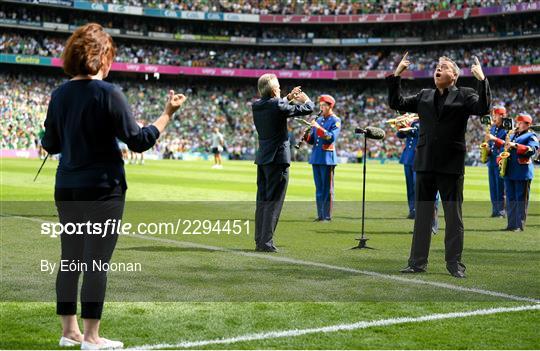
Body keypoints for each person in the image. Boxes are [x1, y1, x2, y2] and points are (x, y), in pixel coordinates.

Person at [41, 23, 186, 349]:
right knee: (95, 262)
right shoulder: (109, 93)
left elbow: (49, 143)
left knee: (70, 259)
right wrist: (167, 115)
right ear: (101, 57)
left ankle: (69, 331)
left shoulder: (58, 94)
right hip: (102, 189)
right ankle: (91, 337)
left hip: (66, 187)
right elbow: (138, 141)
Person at [387, 53, 491, 278]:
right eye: (437, 66)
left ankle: (454, 264)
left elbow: (483, 108)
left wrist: (481, 80)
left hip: (450, 165)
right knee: (423, 217)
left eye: (443, 67)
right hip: (425, 164)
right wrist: (397, 74)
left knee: (453, 217)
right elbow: (396, 103)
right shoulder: (424, 95)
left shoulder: (465, 95)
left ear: (453, 75)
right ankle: (417, 262)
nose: (438, 69)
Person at [252, 74, 313, 252]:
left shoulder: (257, 105)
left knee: (262, 202)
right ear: (273, 90)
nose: (280, 89)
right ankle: (266, 243)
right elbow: (307, 109)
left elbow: (276, 105)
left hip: (263, 158)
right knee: (274, 202)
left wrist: (288, 97)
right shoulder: (277, 104)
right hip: (277, 159)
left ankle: (259, 240)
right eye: (278, 87)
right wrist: (305, 99)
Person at [491, 113, 538, 231]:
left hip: (522, 172)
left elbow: (532, 150)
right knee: (510, 199)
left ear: (528, 125)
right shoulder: (512, 134)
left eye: (521, 123)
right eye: (518, 122)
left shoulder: (531, 136)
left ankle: (519, 225)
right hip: (510, 171)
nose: (518, 124)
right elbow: (505, 147)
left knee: (520, 199)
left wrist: (515, 145)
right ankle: (511, 224)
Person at [304, 94, 341, 221]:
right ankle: (320, 215)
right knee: (319, 188)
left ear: (330, 106)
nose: (321, 108)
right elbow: (314, 140)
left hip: (327, 158)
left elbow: (331, 137)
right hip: (316, 157)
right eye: (320, 106)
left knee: (327, 189)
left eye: (324, 105)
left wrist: (318, 128)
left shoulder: (335, 120)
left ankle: (327, 215)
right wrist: (306, 135)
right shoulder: (319, 120)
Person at [485, 106, 508, 217]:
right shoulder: (493, 128)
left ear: (502, 116)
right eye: (493, 115)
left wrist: (494, 139)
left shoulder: (508, 129)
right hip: (491, 161)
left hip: (501, 162)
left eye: (495, 115)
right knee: (493, 187)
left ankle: (501, 211)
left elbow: (506, 144)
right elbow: (491, 144)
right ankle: (495, 210)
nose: (493, 117)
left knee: (500, 187)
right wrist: (487, 148)